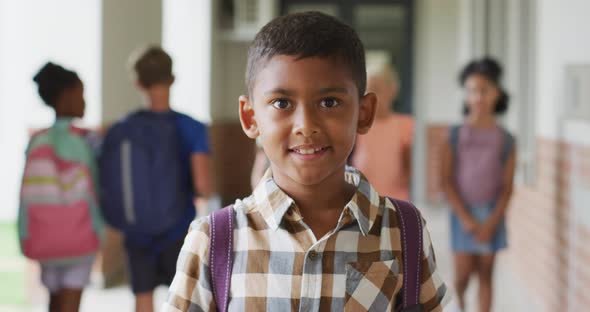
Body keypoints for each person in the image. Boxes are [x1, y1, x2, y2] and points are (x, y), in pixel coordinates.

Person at [163, 12, 449, 311]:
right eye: (282, 103)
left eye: (329, 102)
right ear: (250, 117)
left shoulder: (403, 232)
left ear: (364, 113)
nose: (306, 125)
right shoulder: (213, 242)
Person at [101, 46, 213, 312]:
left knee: (142, 297)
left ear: (138, 83)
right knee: (182, 298)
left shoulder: (121, 129)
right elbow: (203, 186)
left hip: (136, 230)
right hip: (178, 229)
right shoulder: (191, 127)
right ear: (172, 79)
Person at [19, 62, 104, 312]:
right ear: (66, 96)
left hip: (44, 238)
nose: (84, 101)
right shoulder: (87, 140)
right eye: (81, 94)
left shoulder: (37, 140)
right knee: (71, 302)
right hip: (79, 237)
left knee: (54, 300)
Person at [441, 58, 516, 312]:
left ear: (496, 93)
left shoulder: (506, 140)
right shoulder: (454, 135)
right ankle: (460, 304)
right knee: (462, 276)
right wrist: (467, 219)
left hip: (492, 214)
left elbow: (507, 187)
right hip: (463, 214)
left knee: (486, 275)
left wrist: (492, 222)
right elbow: (446, 180)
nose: (478, 97)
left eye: (484, 90)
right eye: (472, 91)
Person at [350, 60, 414, 200]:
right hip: (361, 206)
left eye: (376, 89)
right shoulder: (354, 126)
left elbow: (413, 171)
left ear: (392, 90)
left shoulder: (407, 125)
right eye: (366, 90)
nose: (370, 95)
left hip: (396, 206)